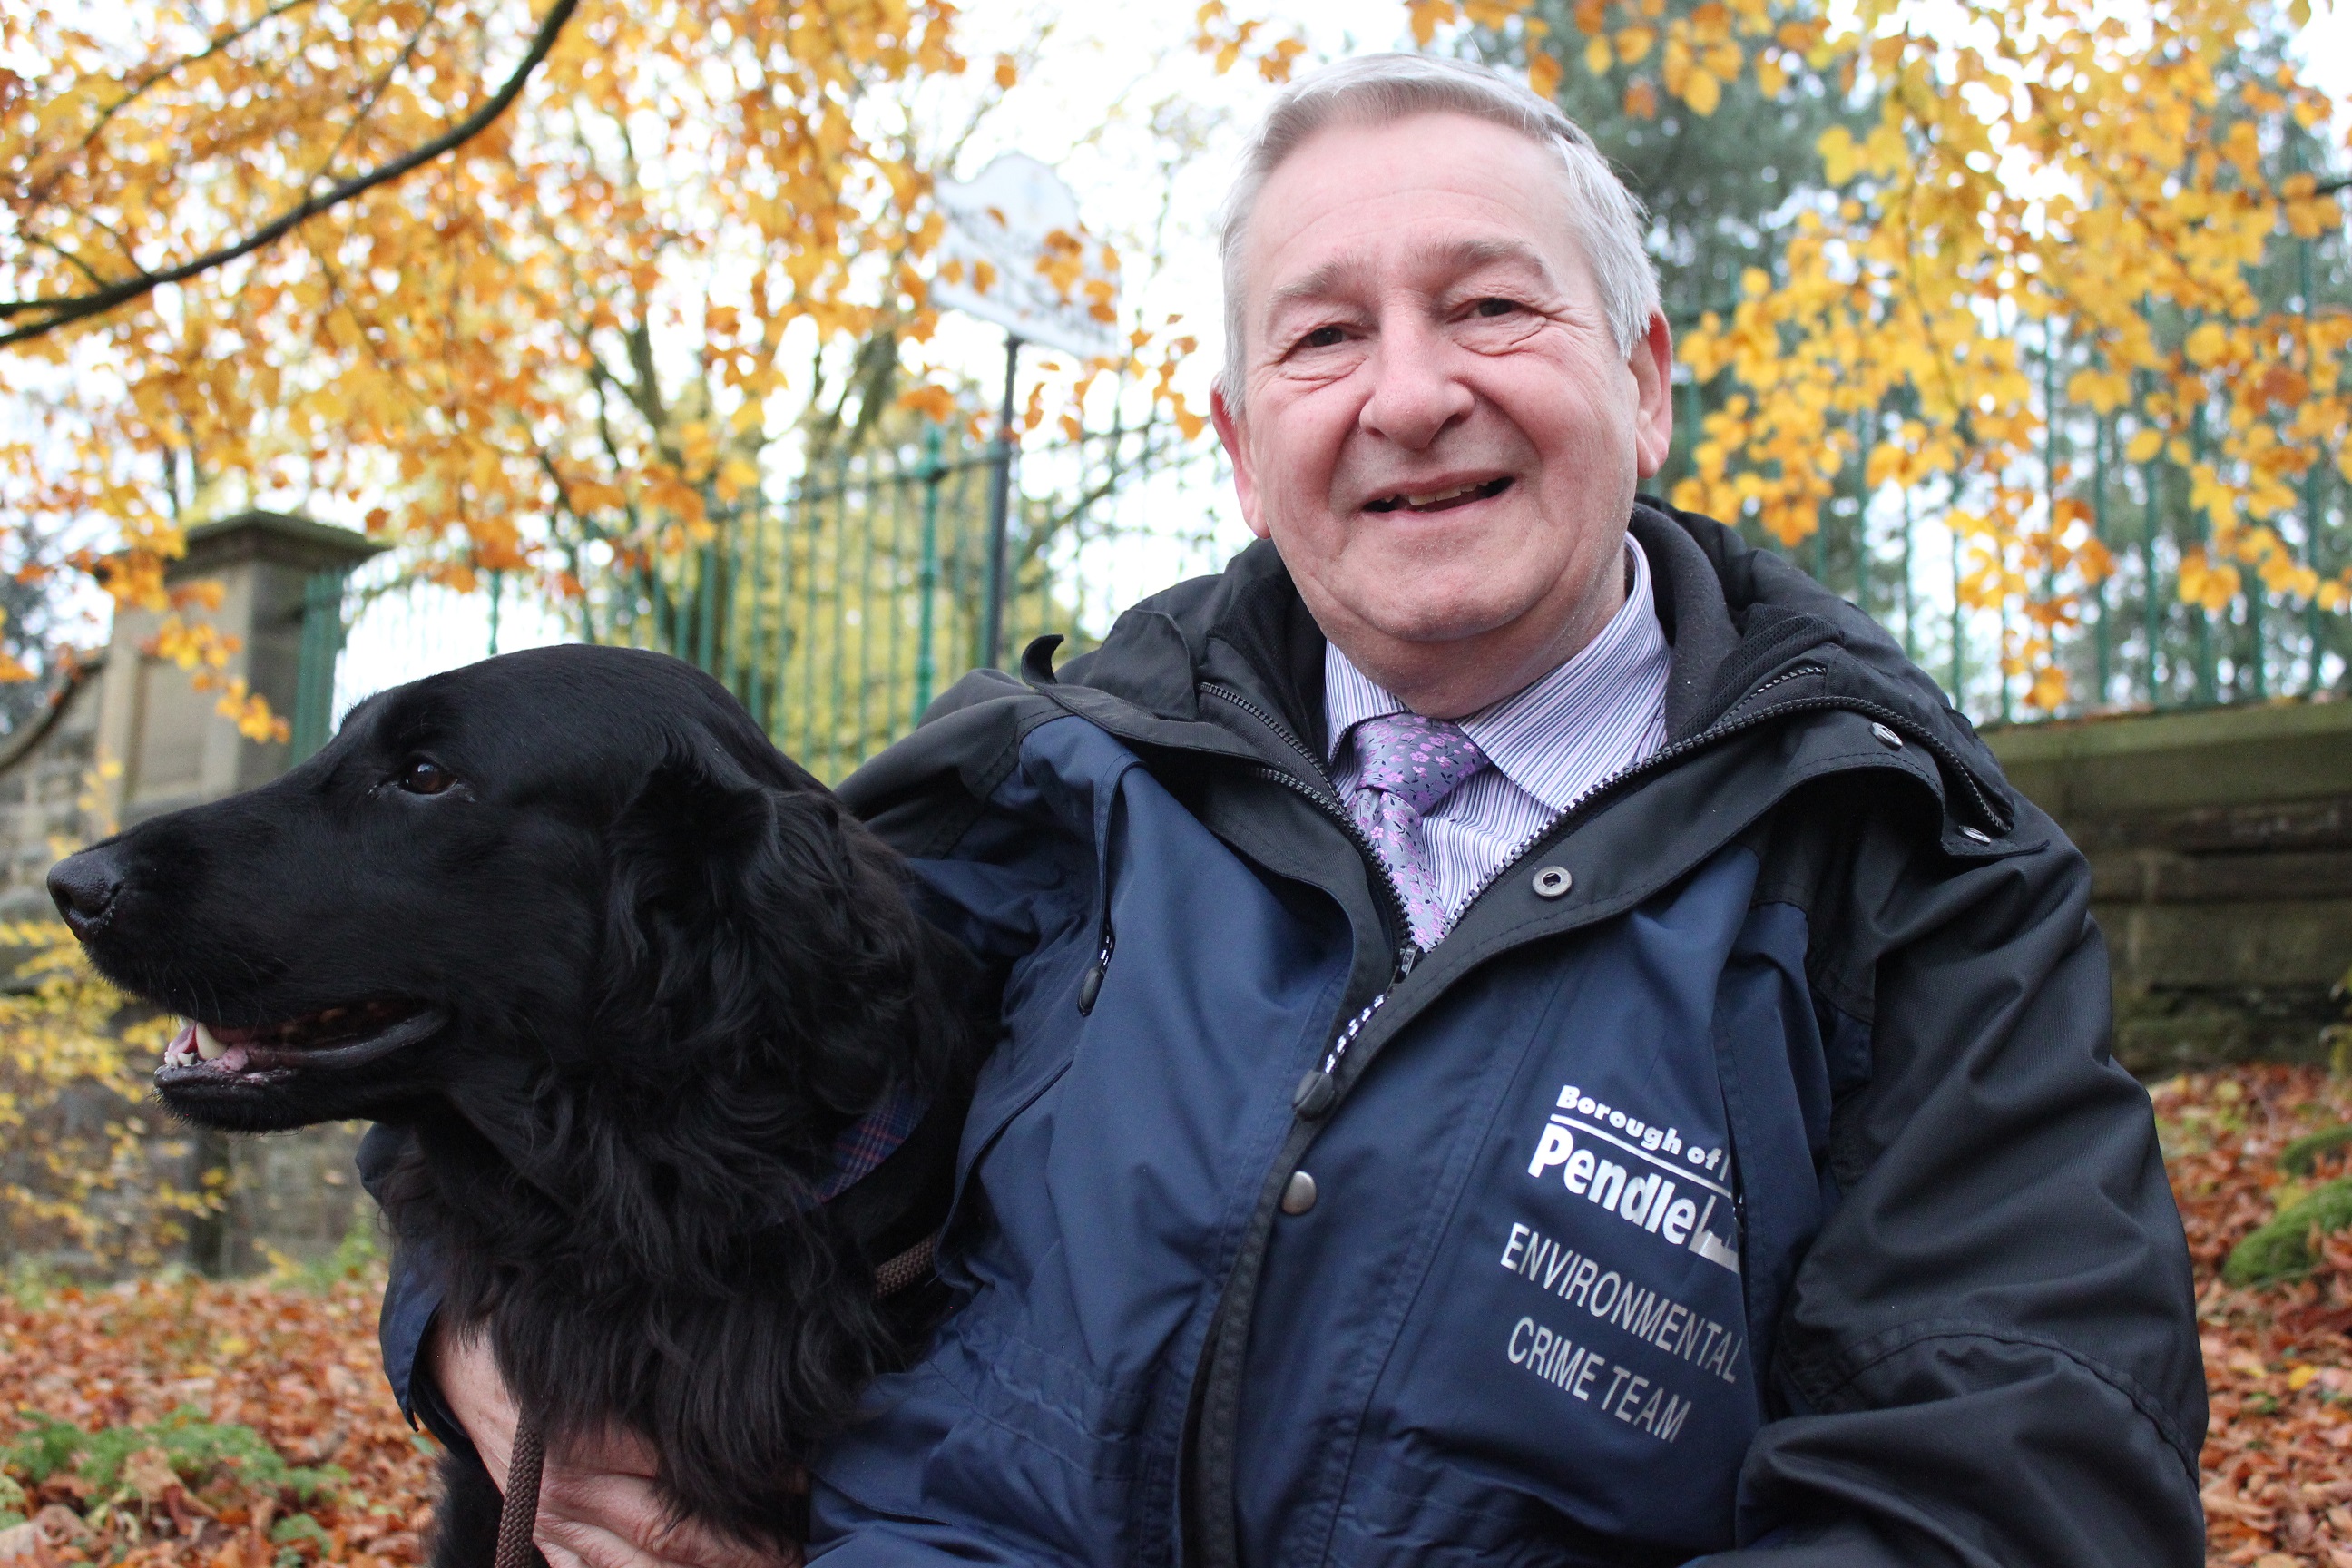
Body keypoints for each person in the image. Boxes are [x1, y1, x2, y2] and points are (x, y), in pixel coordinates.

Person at [377, 53, 2208, 1568]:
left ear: (1643, 387)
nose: (1411, 393)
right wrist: (470, 1344)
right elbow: (612, 1058)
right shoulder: (1052, 791)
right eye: (1324, 339)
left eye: (1490, 305)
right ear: (1247, 450)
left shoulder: (1912, 882)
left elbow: (2016, 1491)